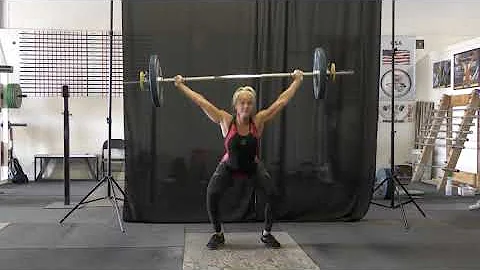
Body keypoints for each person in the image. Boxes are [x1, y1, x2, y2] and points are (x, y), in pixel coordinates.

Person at [174, 70, 304, 250]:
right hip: (229, 166)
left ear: (253, 106)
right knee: (212, 194)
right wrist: (181, 85)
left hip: (252, 166)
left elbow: (281, 102)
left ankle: (266, 234)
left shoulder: (258, 121)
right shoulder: (225, 120)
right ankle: (218, 234)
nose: (246, 106)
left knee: (273, 195)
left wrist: (297, 81)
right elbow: (201, 101)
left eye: (249, 103)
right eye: (242, 103)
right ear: (236, 105)